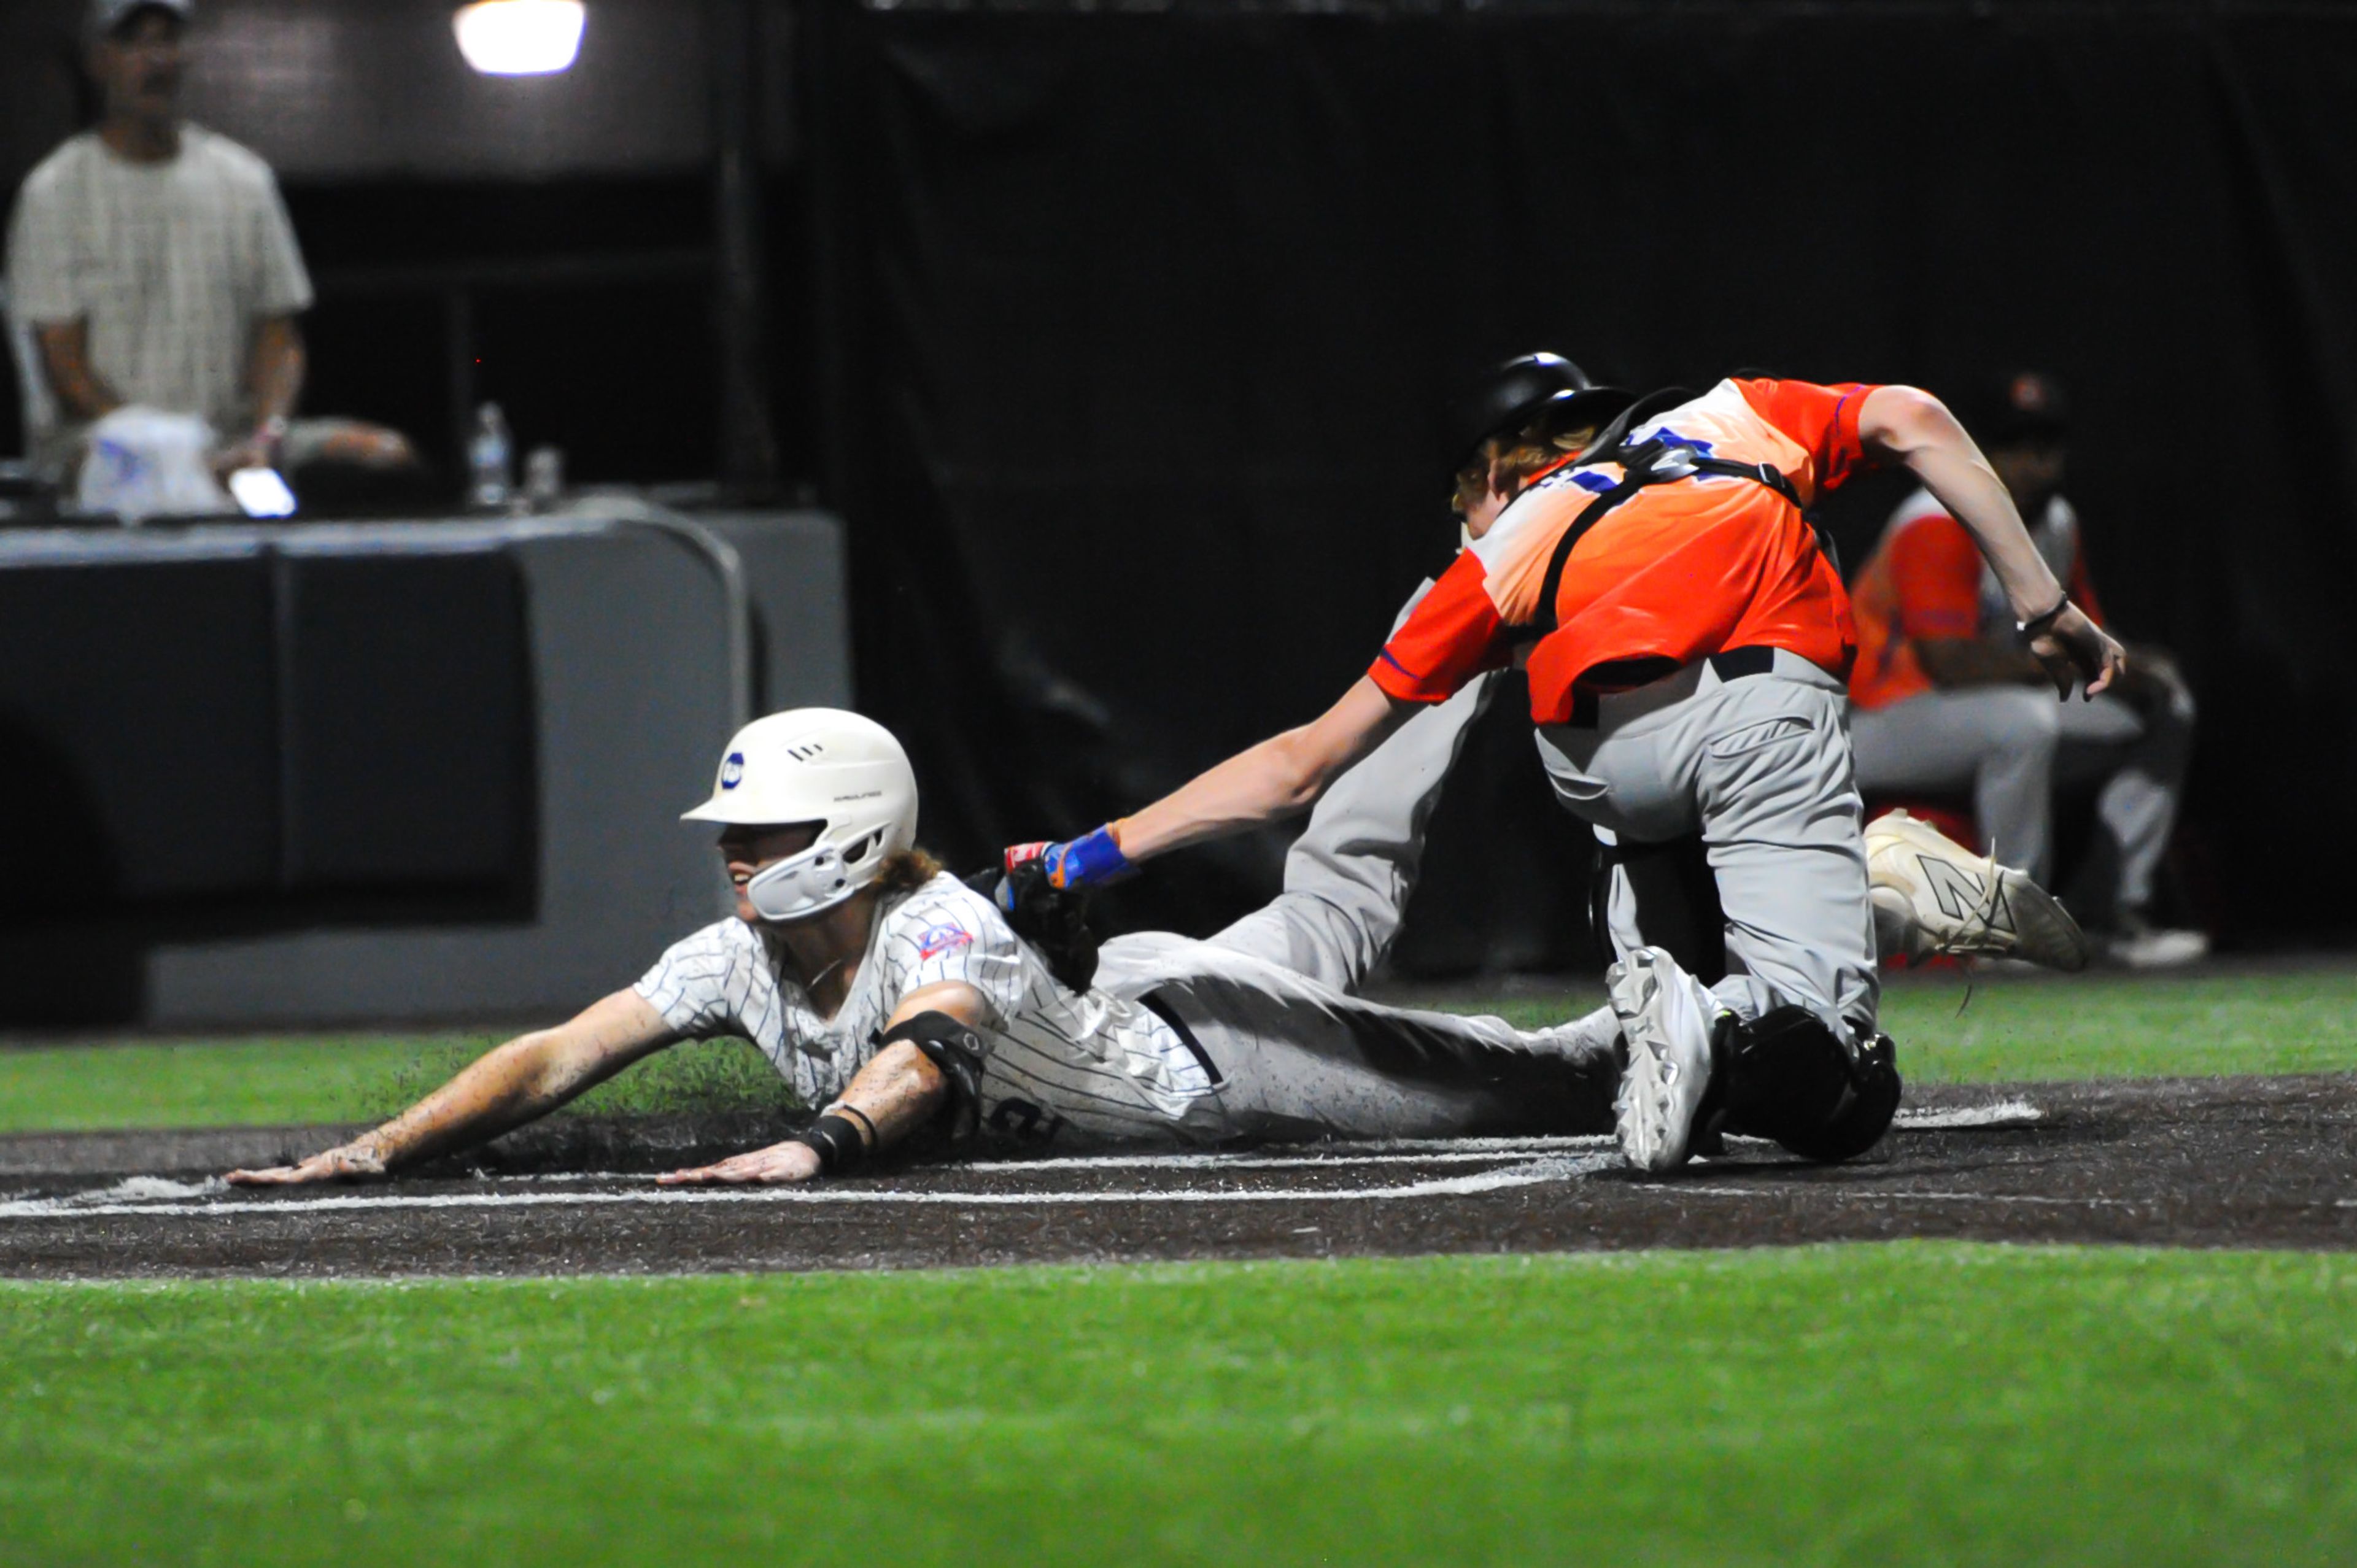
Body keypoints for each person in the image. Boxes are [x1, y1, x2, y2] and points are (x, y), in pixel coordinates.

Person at [1004, 359, 2124, 1175]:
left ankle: (1780, 965)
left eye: (1462, 495)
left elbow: (1299, 770)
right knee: (1836, 1081)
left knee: (1701, 1069)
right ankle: (1828, 937)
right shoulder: (1730, 415)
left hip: (1609, 778)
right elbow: (1918, 418)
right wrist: (2043, 604)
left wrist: (1086, 856)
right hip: (1759, 722)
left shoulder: (1503, 549)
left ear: (1495, 472)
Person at [225, 699, 1627, 1189]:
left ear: (842, 832)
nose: (735, 853)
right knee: (1328, 912)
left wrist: (818, 1144)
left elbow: (930, 1046)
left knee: (1538, 1076)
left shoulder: (936, 925)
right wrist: (374, 1150)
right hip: (1134, 1002)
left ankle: (1750, 1017)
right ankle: (1446, 671)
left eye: (763, 832)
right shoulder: (735, 959)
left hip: (1217, 1060)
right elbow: (558, 1056)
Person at [1847, 371, 2204, 967]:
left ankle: (2113, 907)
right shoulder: (1935, 517)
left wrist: (2129, 664)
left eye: (2045, 443)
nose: (2034, 459)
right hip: (1879, 717)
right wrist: (2081, 662)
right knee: (2023, 723)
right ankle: (2008, 928)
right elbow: (1950, 662)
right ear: (1977, 451)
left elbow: (2083, 630)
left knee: (2168, 706)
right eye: (2015, 445)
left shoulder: (2057, 522)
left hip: (1989, 707)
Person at [3, 0, 419, 507]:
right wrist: (169, 442)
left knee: (387, 456)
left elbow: (278, 338)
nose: (157, 59)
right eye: (136, 42)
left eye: (169, 40)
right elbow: (64, 367)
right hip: (110, 446)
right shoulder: (55, 192)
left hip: (233, 442)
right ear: (99, 61)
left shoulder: (244, 180)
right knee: (162, 480)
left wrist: (264, 440)